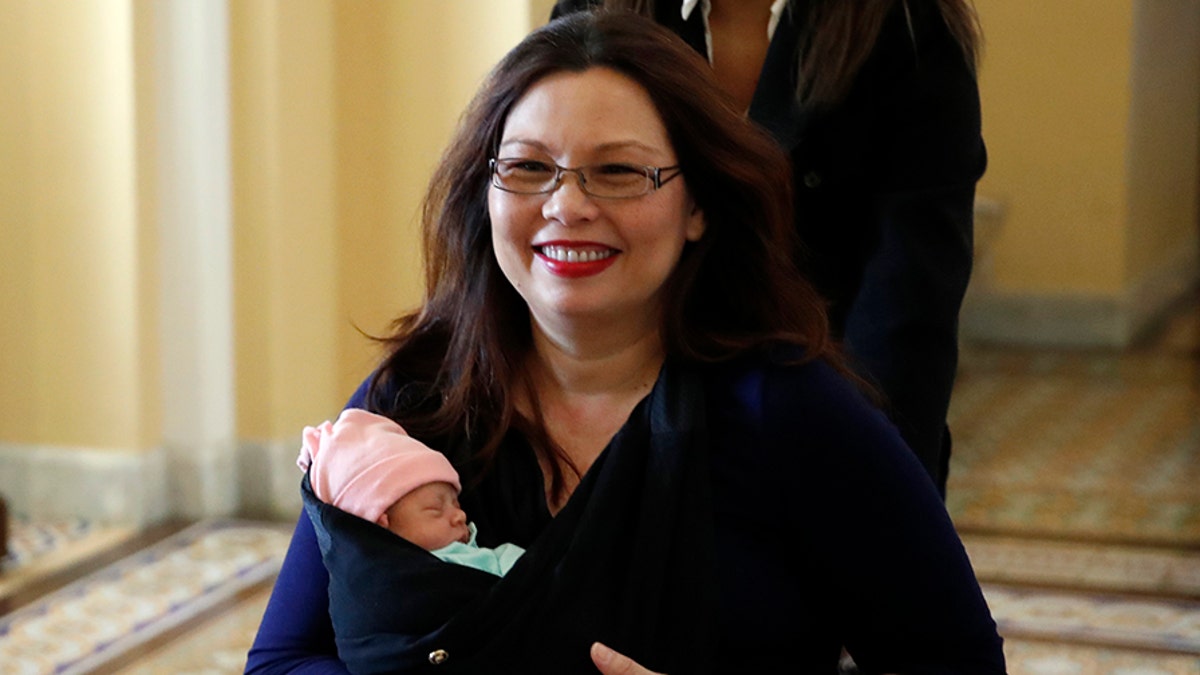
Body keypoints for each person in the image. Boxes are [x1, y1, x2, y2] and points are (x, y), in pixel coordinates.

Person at [246, 10, 1005, 675]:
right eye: (529, 168)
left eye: (617, 171)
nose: (566, 205)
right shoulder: (410, 403)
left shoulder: (793, 413)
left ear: (699, 205)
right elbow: (281, 658)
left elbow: (957, 660)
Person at [551, 0, 987, 498]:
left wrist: (878, 484)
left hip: (826, 410)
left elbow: (909, 298)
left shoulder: (910, 24)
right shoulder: (595, 8)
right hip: (625, 414)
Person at [297, 408, 525, 575]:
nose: (460, 516)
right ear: (383, 524)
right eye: (435, 509)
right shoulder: (388, 580)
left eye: (456, 504)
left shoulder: (476, 556)